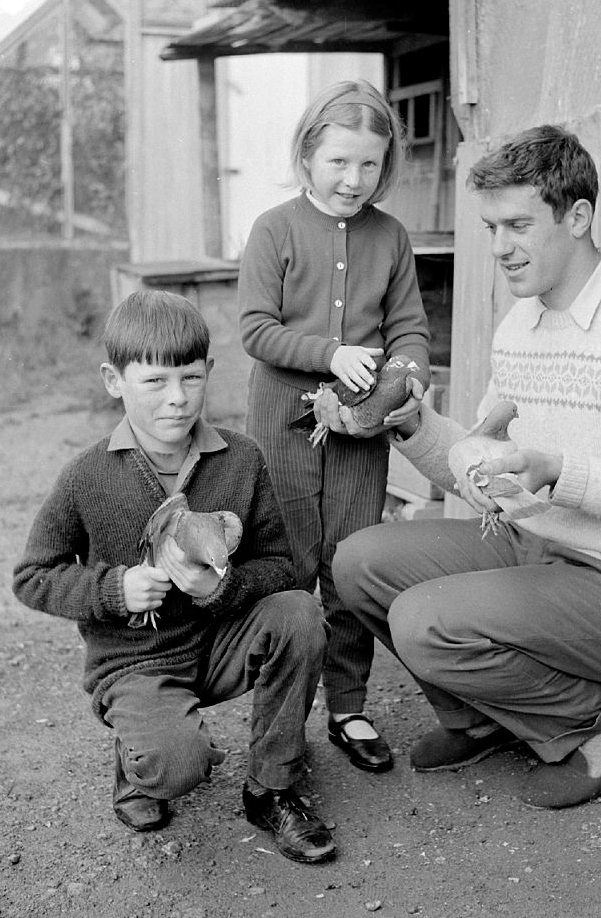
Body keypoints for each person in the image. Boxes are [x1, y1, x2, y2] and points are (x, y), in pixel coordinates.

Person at [328, 125, 601, 809]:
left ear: (577, 216)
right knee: (358, 562)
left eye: (517, 224)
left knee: (426, 620)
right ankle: (481, 717)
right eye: (490, 226)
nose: (499, 248)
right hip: (533, 548)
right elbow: (485, 463)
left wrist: (557, 470)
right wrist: (417, 428)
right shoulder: (520, 326)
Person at [13, 290, 337, 863]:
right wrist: (114, 589)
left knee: (299, 614)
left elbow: (282, 567)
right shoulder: (86, 476)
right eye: (155, 382)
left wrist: (225, 589)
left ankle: (274, 786)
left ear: (210, 372)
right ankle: (142, 761)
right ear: (114, 380)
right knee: (176, 766)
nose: (177, 400)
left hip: (219, 643)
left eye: (190, 378)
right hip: (137, 662)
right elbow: (33, 576)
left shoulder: (241, 458)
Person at [238, 79, 431, 774]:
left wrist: (406, 374)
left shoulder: (391, 237)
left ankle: (348, 706)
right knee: (289, 568)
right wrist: (330, 353)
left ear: (387, 166)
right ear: (307, 156)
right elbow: (256, 330)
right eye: (339, 162)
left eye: (370, 165)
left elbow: (409, 329)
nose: (354, 179)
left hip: (358, 435)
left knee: (348, 566)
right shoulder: (275, 229)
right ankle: (281, 709)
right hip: (283, 427)